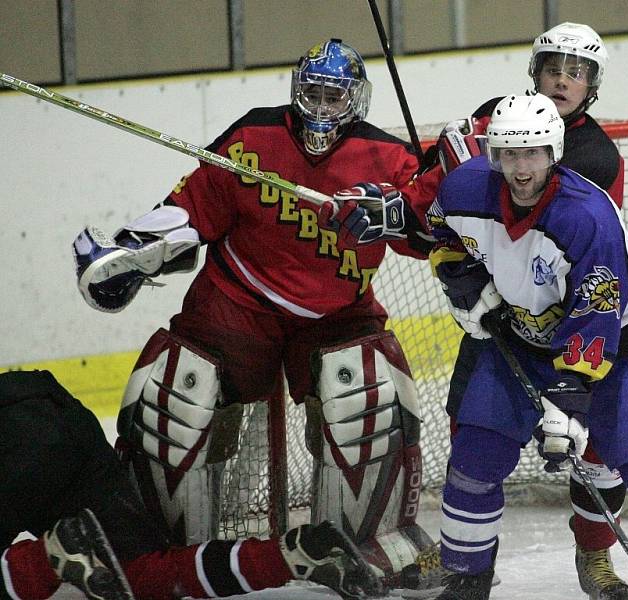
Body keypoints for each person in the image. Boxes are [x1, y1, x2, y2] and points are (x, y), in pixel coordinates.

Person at [70, 38, 436, 588]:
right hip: (236, 299)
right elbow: (192, 207)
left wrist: (403, 215)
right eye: (311, 92)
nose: (320, 107)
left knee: (366, 388)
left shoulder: (387, 158)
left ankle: (361, 545)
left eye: (334, 97)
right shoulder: (253, 135)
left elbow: (435, 229)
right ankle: (167, 554)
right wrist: (134, 251)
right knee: (175, 390)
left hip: (336, 313)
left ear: (355, 101)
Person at [333, 23, 628, 600]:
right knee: (472, 434)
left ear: (593, 85)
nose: (562, 80)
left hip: (574, 325)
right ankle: (466, 563)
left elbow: (563, 246)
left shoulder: (595, 157)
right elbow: (446, 205)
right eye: (552, 68)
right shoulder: (497, 116)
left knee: (598, 457)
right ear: (534, 73)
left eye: (576, 72)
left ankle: (595, 555)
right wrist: (408, 215)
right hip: (499, 319)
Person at [422, 93, 628, 600]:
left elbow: (597, 317)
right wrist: (461, 275)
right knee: (474, 458)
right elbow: (440, 227)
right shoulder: (466, 188)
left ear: (554, 153)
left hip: (616, 348)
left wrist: (568, 401)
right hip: (521, 338)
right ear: (494, 156)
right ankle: (466, 581)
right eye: (510, 154)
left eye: (532, 154)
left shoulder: (587, 217)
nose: (521, 168)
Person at [0, 369, 381, 600]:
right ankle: (293, 556)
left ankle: (49, 555)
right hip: (51, 410)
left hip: (13, 436)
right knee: (143, 576)